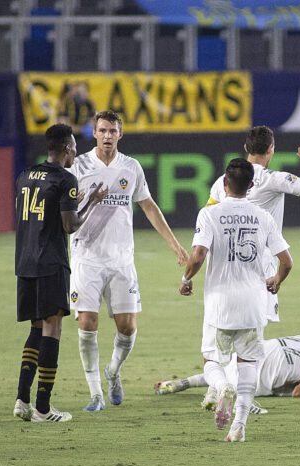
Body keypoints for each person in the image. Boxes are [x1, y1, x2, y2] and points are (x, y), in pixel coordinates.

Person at [68, 110, 189, 412]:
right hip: (87, 258)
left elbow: (149, 207)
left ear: (121, 134)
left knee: (127, 328)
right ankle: (95, 393)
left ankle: (113, 371)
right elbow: (65, 210)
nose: (107, 136)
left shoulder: (131, 168)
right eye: (103, 130)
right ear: (94, 133)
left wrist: (174, 245)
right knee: (87, 321)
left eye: (113, 131)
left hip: (122, 261)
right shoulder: (78, 166)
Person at [180, 158, 293, 442]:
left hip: (220, 303)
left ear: (224, 183)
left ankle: (221, 387)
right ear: (252, 186)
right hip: (254, 303)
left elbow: (198, 255)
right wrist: (276, 280)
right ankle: (239, 426)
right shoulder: (263, 217)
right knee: (248, 364)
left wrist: (186, 279)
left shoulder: (209, 214)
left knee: (211, 360)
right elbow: (287, 261)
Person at [13, 124, 107, 423]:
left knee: (36, 329)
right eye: (74, 149)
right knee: (53, 330)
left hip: (25, 262)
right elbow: (69, 225)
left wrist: (74, 201)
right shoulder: (66, 178)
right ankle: (42, 407)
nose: (75, 154)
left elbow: (43, 211)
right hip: (51, 263)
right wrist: (91, 202)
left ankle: (21, 399)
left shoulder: (26, 175)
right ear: (67, 148)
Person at [207, 125, 300, 323]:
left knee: (225, 328)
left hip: (226, 263)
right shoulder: (272, 179)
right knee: (253, 334)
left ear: (246, 147)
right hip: (259, 263)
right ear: (271, 148)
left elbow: (209, 214)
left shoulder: (224, 181)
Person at [154, 335, 300, 403]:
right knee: (228, 384)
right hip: (261, 376)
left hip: (256, 352)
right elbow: (299, 392)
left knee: (220, 372)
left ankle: (182, 383)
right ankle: (213, 394)